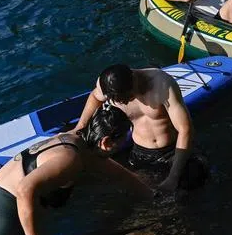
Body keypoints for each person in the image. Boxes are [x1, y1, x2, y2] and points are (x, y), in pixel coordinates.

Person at [0, 104, 151, 235]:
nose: (126, 142)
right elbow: (24, 188)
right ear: (106, 142)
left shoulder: (74, 139)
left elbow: (114, 172)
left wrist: (151, 194)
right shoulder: (69, 160)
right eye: (124, 139)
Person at [71, 64, 208, 195]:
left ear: (134, 78)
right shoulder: (106, 84)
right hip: (140, 153)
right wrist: (80, 127)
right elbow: (95, 96)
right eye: (120, 100)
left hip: (173, 151)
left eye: (128, 97)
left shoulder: (162, 83)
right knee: (139, 194)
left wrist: (173, 177)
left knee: (182, 192)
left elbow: (185, 129)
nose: (125, 102)